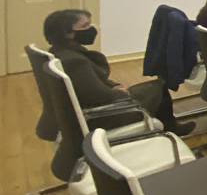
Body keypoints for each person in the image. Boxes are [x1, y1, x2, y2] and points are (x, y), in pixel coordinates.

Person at [44, 9, 195, 135]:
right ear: (67, 33)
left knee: (155, 88)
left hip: (91, 110)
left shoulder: (59, 52)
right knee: (159, 88)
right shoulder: (76, 62)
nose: (91, 29)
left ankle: (167, 127)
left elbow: (91, 85)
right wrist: (121, 93)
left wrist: (112, 86)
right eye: (85, 26)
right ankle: (171, 129)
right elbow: (99, 96)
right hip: (104, 114)